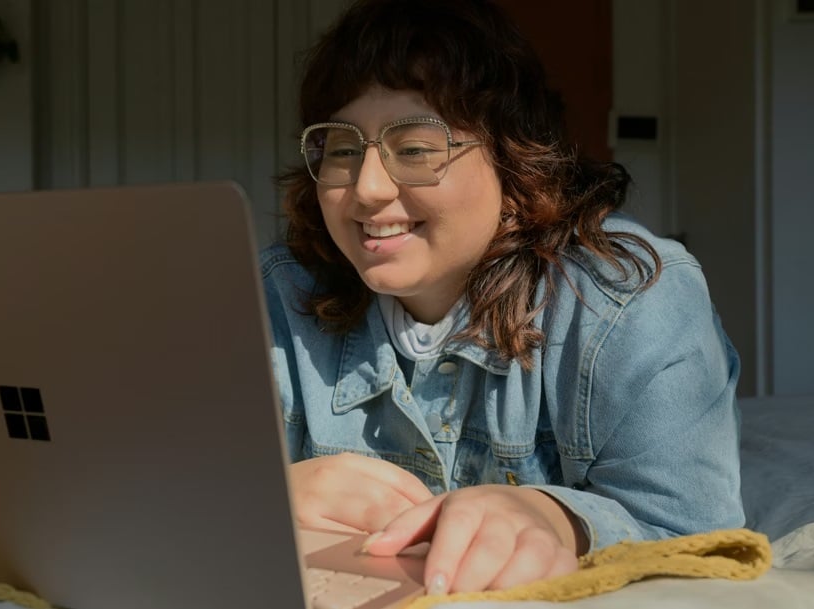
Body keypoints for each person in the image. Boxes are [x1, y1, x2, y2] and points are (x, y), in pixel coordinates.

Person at [261, 0, 743, 596]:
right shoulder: (277, 297)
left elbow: (696, 532)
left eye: (414, 149)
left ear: (513, 160)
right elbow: (156, 486)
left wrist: (558, 518)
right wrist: (263, 493)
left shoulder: (631, 297)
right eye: (342, 148)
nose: (366, 187)